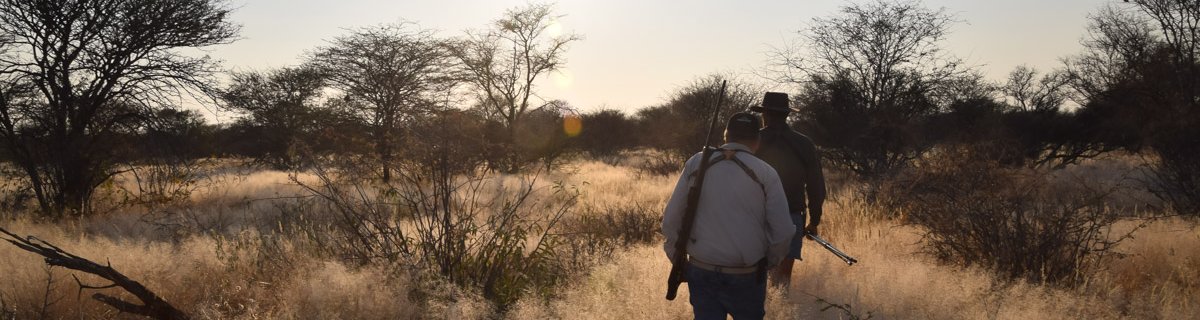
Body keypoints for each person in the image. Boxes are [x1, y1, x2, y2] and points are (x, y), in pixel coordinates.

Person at [662, 112, 796, 320]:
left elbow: (670, 220)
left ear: (726, 135)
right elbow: (784, 232)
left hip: (701, 269)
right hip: (746, 274)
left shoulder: (697, 163)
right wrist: (767, 263)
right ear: (757, 141)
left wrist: (677, 259)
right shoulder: (766, 172)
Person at [750, 92, 828, 290]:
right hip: (792, 216)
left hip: (753, 216)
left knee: (752, 274)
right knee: (782, 279)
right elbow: (816, 185)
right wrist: (814, 221)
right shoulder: (804, 143)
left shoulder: (752, 141)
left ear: (764, 114)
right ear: (786, 115)